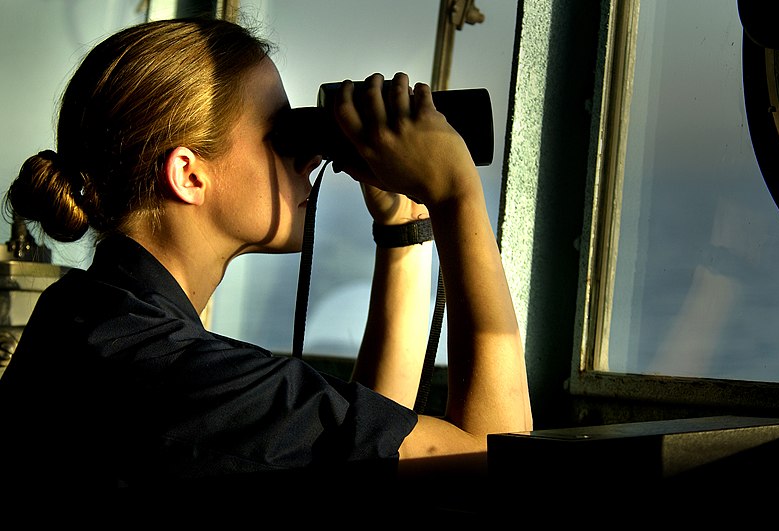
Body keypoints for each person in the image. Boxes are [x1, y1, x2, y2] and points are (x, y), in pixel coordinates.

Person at [0, 17, 531, 513]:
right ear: (188, 174)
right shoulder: (186, 378)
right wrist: (457, 195)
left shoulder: (82, 316)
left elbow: (363, 444)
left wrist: (404, 231)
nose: (310, 158)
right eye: (280, 136)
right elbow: (490, 460)